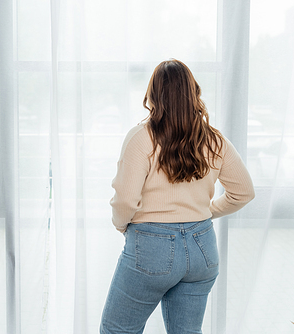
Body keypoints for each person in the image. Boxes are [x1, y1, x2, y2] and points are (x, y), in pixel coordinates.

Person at [100, 59, 255, 334]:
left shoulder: (141, 138)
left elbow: (125, 200)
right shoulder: (214, 140)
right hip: (203, 247)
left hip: (151, 246)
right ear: (194, 92)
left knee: (117, 331)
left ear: (153, 95)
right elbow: (244, 191)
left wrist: (122, 225)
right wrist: (208, 211)